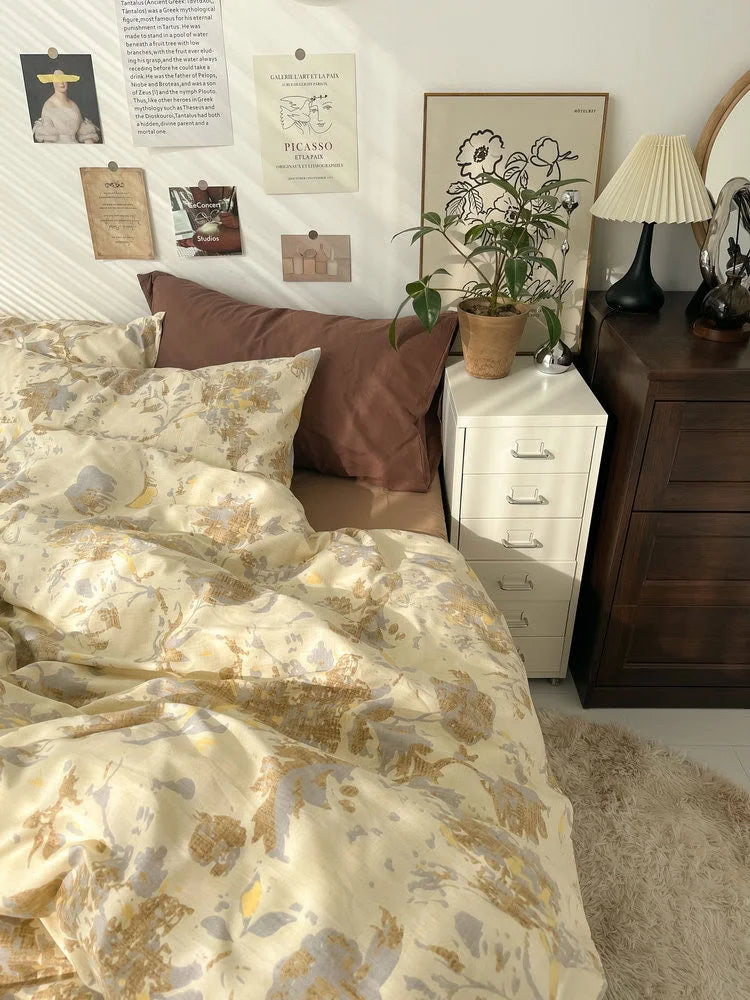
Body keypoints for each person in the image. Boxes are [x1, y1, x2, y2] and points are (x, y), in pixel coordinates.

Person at [32, 68, 100, 143]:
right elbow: (48, 141)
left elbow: (83, 131)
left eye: (64, 80)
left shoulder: (73, 105)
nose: (61, 83)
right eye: (58, 80)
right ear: (53, 83)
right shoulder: (48, 105)